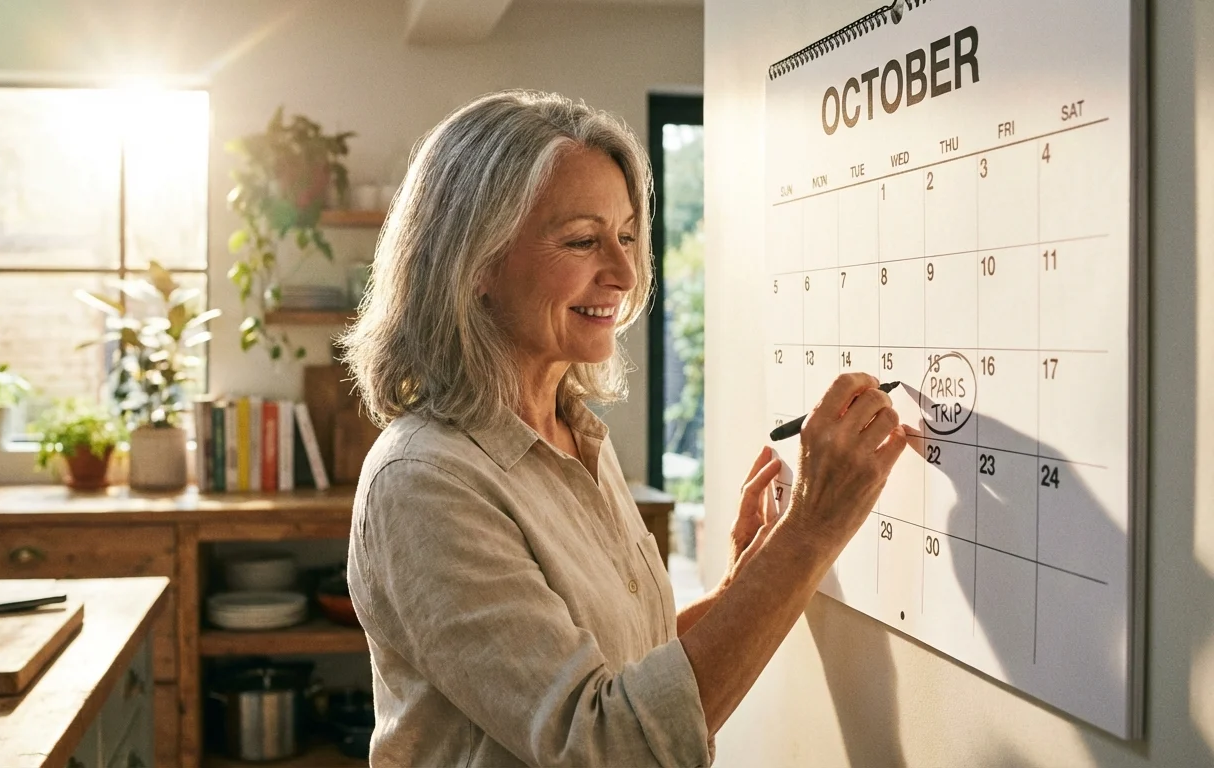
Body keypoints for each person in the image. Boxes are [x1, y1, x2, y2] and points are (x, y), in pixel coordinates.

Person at [340, 89, 908, 767]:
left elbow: (622, 674)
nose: (626, 272)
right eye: (583, 240)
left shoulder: (574, 434)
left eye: (629, 236)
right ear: (476, 265)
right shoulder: (426, 483)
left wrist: (742, 584)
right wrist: (810, 533)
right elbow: (609, 746)